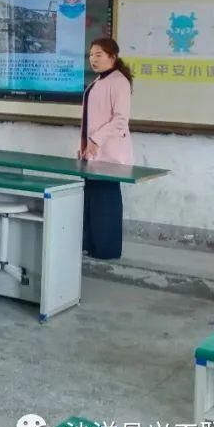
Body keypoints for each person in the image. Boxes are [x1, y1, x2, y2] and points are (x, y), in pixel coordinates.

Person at [79, 37, 134, 260]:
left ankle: (106, 249)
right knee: (92, 198)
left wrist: (95, 140)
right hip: (94, 152)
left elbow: (120, 120)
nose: (93, 59)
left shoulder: (119, 81)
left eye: (99, 54)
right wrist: (85, 144)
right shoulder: (99, 81)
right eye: (91, 54)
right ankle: (91, 245)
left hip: (109, 153)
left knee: (106, 200)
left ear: (112, 56)